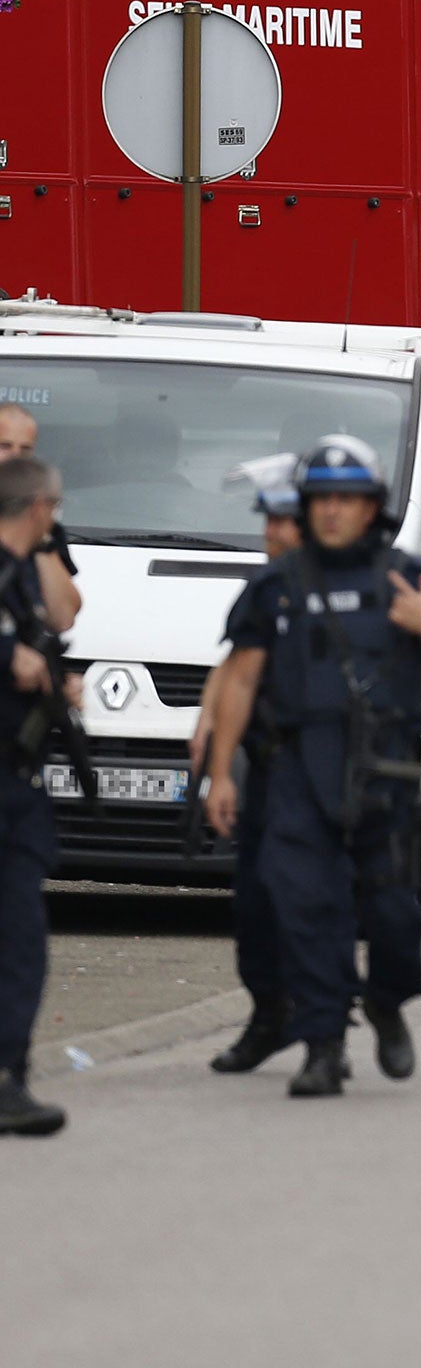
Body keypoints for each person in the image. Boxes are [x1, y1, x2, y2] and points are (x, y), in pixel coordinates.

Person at [204, 436, 421, 1099]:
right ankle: (324, 1045)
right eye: (321, 499)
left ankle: (386, 1001)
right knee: (309, 909)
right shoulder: (276, 586)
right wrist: (222, 772)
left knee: (393, 917)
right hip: (296, 772)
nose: (331, 512)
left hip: (383, 771)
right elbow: (238, 682)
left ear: (371, 507)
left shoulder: (410, 578)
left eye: (346, 500)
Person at [191, 456, 303, 1075]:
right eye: (268, 521)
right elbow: (237, 664)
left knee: (317, 898)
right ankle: (271, 1014)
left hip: (334, 769)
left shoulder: (355, 578)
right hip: (271, 764)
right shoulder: (267, 588)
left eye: (283, 520)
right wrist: (210, 725)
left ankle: (325, 1024)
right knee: (255, 902)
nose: (270, 534)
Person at [0, 456, 73, 1135]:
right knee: (19, 943)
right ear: (41, 509)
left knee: (19, 936)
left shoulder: (20, 573)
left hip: (19, 785)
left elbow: (59, 612)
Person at [0, 406, 81, 632]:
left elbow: (62, 618)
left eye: (25, 449)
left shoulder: (43, 525)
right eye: (4, 446)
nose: (15, 457)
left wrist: (40, 538)